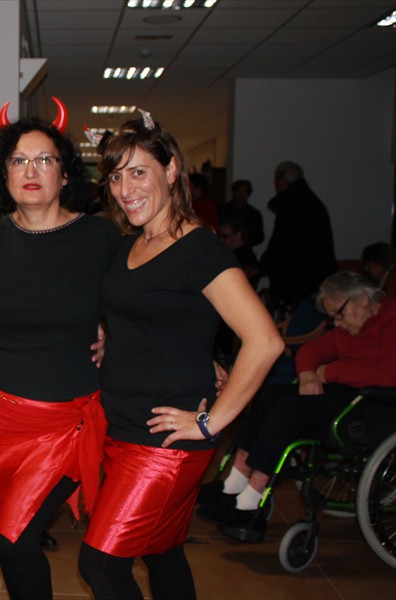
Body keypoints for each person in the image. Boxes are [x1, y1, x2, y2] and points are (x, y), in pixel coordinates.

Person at [78, 112, 283, 599]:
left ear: (171, 170)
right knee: (162, 550)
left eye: (138, 172)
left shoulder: (200, 250)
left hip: (166, 441)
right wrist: (113, 337)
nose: (125, 189)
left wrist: (211, 423)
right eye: (115, 177)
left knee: (101, 565)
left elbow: (265, 341)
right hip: (122, 426)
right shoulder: (133, 242)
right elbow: (152, 315)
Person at [0, 107, 121, 599]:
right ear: (4, 173)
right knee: (10, 536)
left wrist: (113, 333)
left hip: (65, 421)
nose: (30, 171)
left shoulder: (99, 236)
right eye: (18, 161)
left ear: (65, 173)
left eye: (44, 160)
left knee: (14, 539)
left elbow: (139, 303)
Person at [197, 271, 396, 542]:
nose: (337, 323)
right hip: (346, 392)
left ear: (362, 298)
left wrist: (328, 372)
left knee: (288, 408)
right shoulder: (349, 328)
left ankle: (249, 502)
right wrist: (308, 373)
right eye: (332, 317)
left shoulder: (391, 319)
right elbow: (310, 351)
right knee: (268, 394)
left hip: (375, 403)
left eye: (339, 313)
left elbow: (388, 375)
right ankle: (233, 484)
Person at [260, 161, 337, 313]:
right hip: (317, 275)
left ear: (282, 182)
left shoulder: (290, 205)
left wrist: (262, 266)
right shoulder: (312, 202)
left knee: (295, 316)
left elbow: (280, 243)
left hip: (296, 277)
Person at [218, 178, 264, 247]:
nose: (240, 194)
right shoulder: (222, 210)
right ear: (233, 192)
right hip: (223, 247)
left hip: (244, 250)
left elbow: (259, 237)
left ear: (248, 194)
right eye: (238, 191)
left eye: (244, 192)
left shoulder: (254, 214)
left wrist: (244, 240)